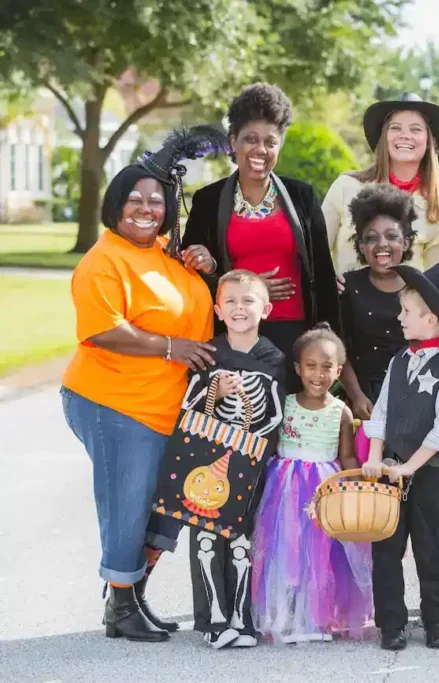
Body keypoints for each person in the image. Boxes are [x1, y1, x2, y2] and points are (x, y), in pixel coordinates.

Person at [59, 126, 226, 642]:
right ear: (115, 204)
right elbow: (104, 329)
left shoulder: (165, 253)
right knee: (126, 503)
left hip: (165, 406)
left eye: (156, 201)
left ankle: (131, 597)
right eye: (134, 199)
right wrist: (171, 348)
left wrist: (208, 266)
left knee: (163, 506)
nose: (145, 208)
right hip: (114, 401)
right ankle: (120, 608)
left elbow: (195, 305)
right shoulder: (103, 260)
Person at [156, 270, 287, 649]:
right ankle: (212, 619)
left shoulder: (273, 358)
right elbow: (190, 409)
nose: (239, 308)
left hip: (250, 464)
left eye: (248, 301)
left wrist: (250, 413)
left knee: (243, 539)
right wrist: (216, 392)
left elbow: (275, 414)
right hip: (205, 463)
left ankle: (242, 620)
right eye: (230, 301)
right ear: (217, 308)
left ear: (265, 309)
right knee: (206, 538)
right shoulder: (209, 354)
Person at [182, 83, 341, 392]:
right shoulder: (208, 200)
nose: (260, 150)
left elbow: (322, 272)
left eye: (270, 141)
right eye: (250, 139)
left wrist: (330, 343)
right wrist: (251, 289)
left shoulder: (301, 196)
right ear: (232, 143)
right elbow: (190, 280)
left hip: (295, 339)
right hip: (234, 338)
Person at [361, 263, 439, 651]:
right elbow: (380, 414)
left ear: (431, 319)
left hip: (427, 473)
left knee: (431, 547)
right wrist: (376, 458)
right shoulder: (399, 360)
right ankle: (391, 622)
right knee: (386, 548)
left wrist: (410, 467)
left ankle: (436, 619)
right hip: (391, 470)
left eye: (406, 312)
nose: (399, 318)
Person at [251, 323, 374, 644]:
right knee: (285, 549)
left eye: (326, 367)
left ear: (338, 371)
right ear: (297, 368)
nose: (318, 375)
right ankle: (285, 616)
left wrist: (359, 486)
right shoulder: (286, 404)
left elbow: (346, 457)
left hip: (324, 489)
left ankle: (317, 618)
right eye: (310, 366)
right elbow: (270, 445)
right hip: (286, 488)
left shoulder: (341, 411)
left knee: (321, 553)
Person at [323, 93, 439, 283]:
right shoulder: (346, 187)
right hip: (343, 307)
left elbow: (438, 283)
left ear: (429, 141)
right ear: (384, 137)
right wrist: (327, 281)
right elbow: (314, 253)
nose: (405, 135)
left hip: (403, 310)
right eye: (395, 128)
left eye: (415, 129)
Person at [338, 184, 418, 420]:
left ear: (406, 243)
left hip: (411, 396)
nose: (382, 244)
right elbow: (338, 349)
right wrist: (356, 396)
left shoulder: (422, 288)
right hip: (362, 398)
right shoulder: (347, 287)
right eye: (371, 238)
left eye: (392, 236)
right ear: (361, 246)